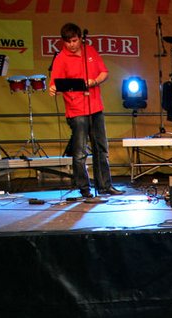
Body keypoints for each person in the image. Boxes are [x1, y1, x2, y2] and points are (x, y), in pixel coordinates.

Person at [48, 22, 122, 199]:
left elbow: (104, 72)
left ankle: (105, 185)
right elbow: (54, 84)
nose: (71, 45)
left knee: (101, 148)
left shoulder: (90, 51)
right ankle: (84, 188)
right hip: (76, 109)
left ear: (80, 38)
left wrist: (94, 81)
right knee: (80, 152)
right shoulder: (61, 58)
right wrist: (52, 89)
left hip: (95, 106)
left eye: (74, 40)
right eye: (68, 42)